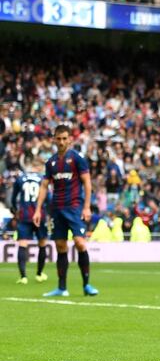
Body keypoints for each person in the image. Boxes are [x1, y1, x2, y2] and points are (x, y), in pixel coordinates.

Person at [33, 125, 99, 297]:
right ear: (54, 139)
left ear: (69, 139)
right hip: (57, 209)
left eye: (64, 138)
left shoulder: (77, 159)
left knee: (80, 242)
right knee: (60, 245)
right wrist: (38, 209)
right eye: (58, 138)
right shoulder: (51, 163)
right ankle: (62, 288)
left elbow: (87, 182)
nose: (61, 142)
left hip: (75, 207)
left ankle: (86, 285)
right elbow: (44, 186)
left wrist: (86, 206)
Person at [11, 158, 49, 284]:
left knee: (22, 244)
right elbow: (48, 198)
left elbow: (13, 198)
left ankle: (23, 277)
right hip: (39, 215)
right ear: (38, 167)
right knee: (42, 243)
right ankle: (39, 274)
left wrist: (15, 211)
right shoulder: (43, 179)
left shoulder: (21, 178)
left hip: (25, 215)